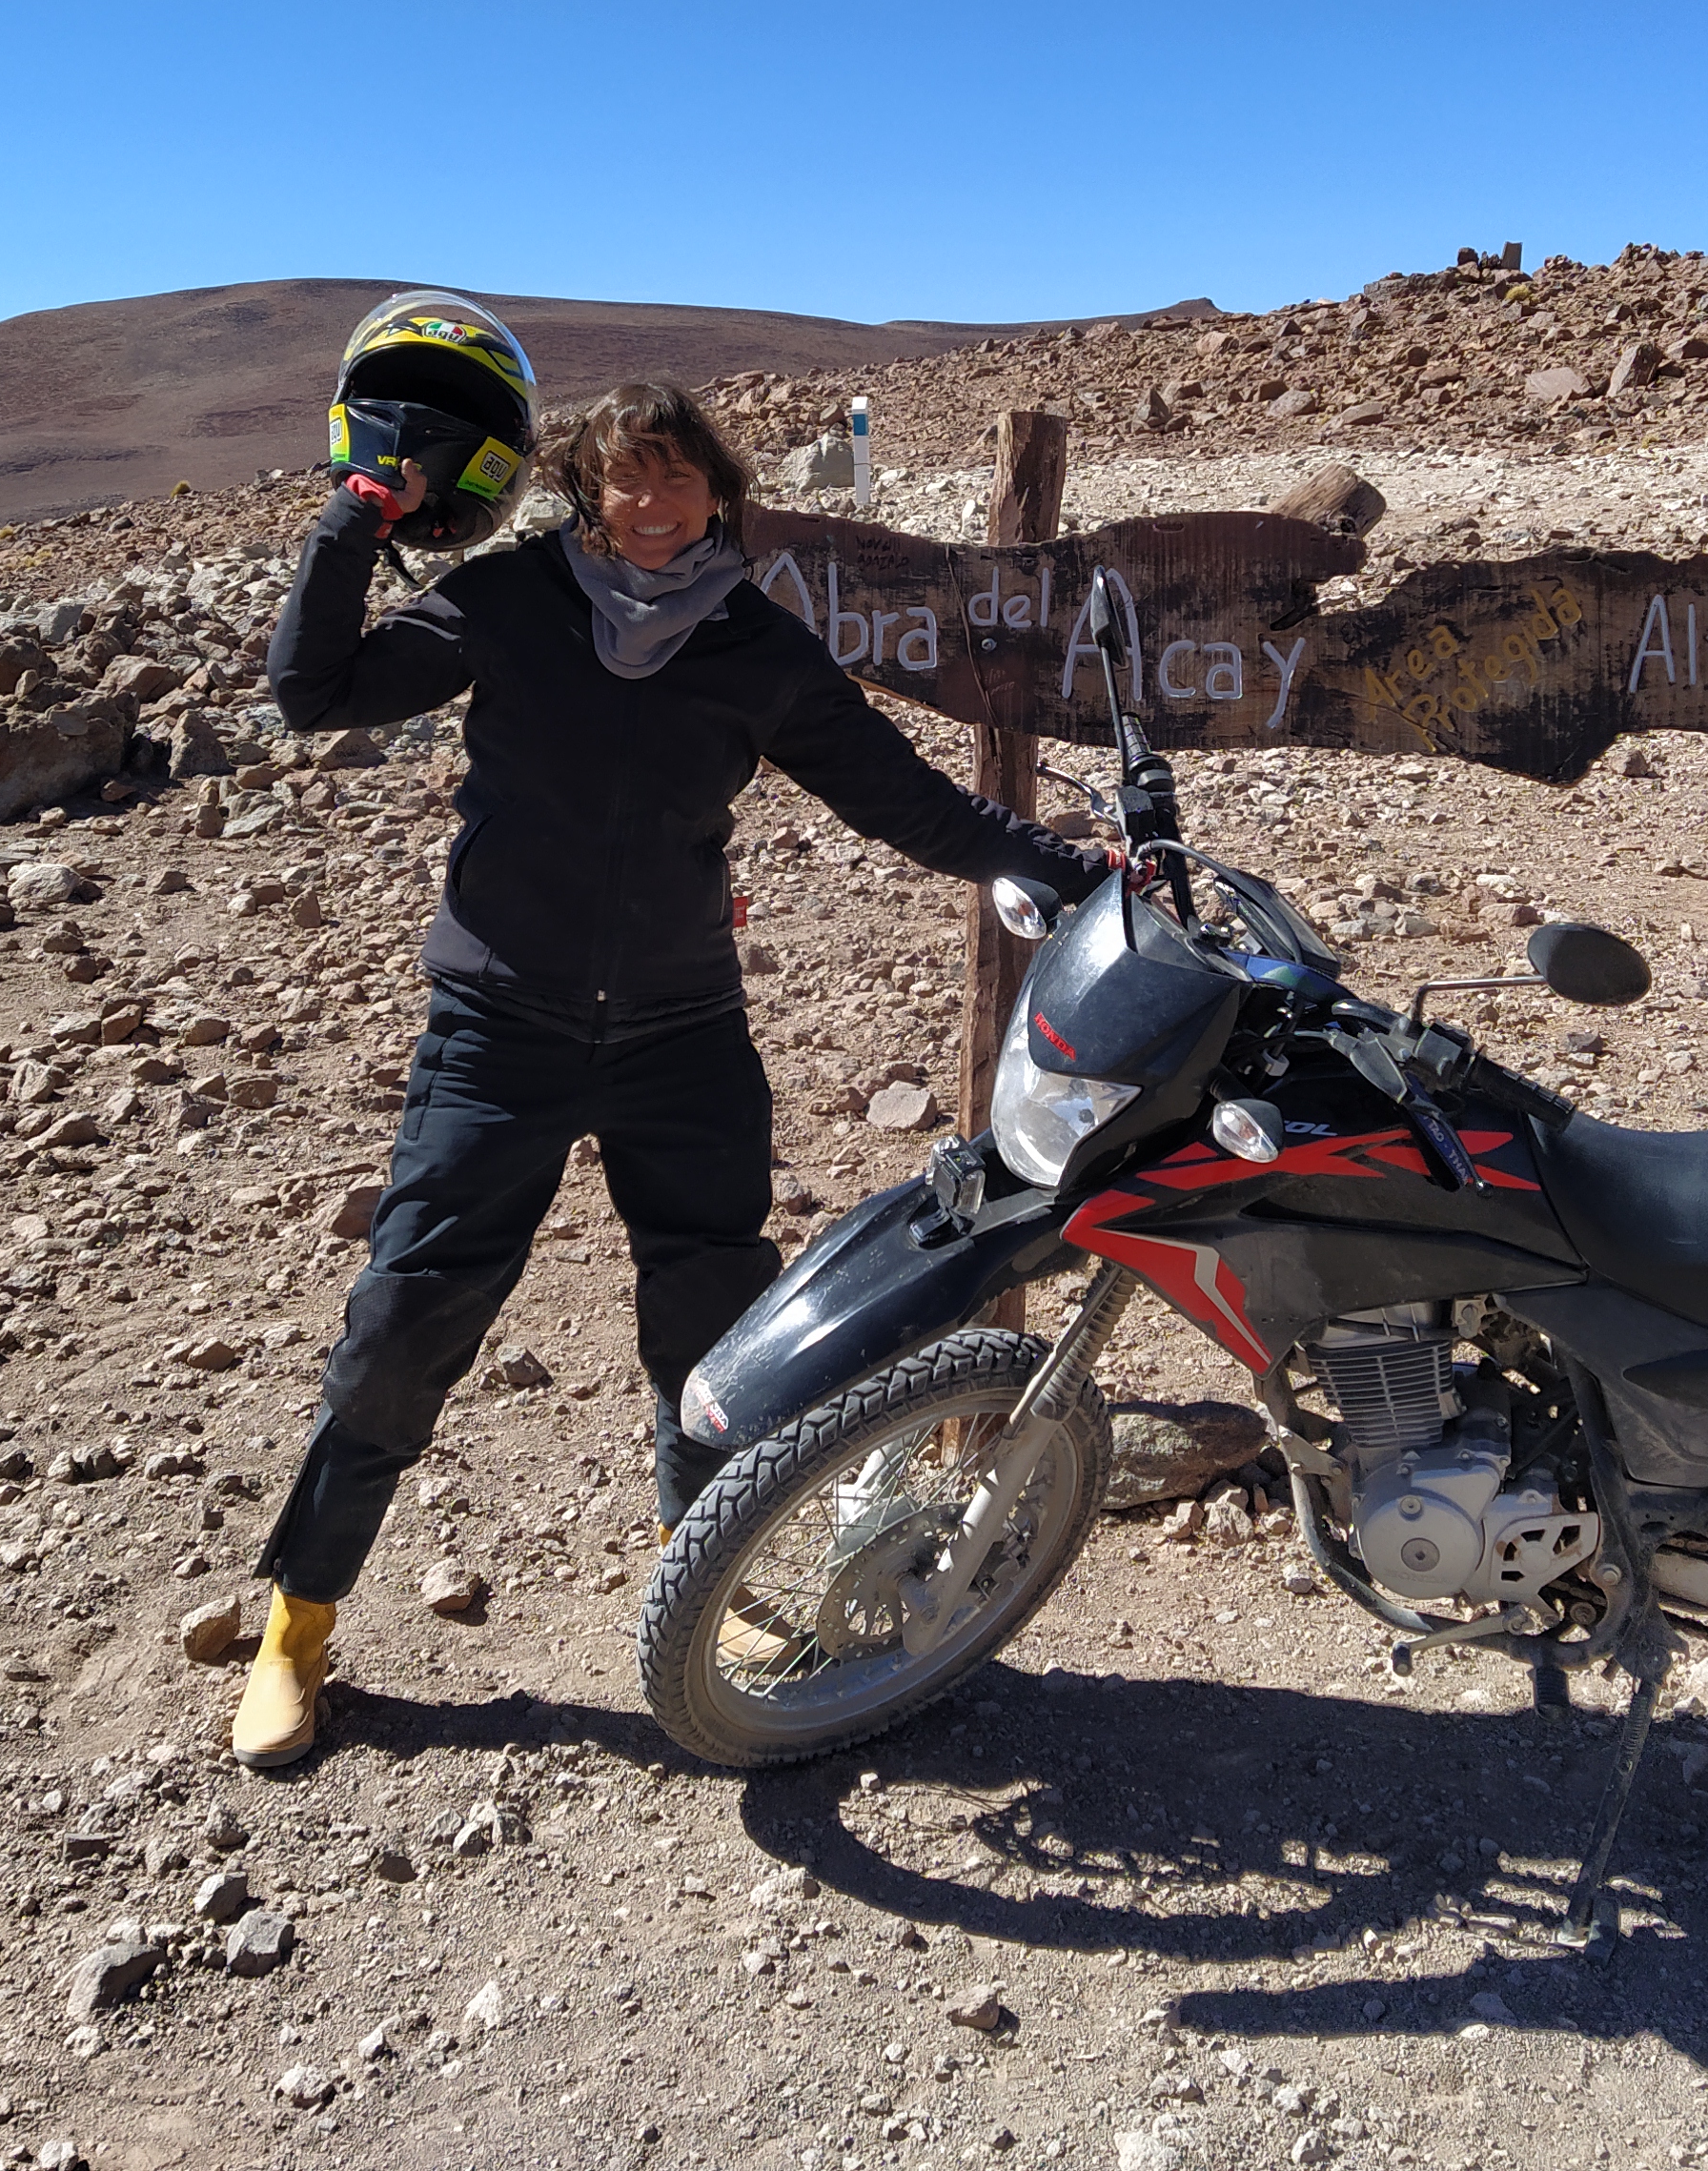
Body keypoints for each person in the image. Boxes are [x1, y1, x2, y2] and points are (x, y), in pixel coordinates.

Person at [229, 379, 1105, 1770]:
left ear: (718, 489)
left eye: (674, 478)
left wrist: (1067, 867)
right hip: (498, 1032)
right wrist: (352, 517)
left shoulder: (756, 643)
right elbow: (311, 689)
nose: (649, 507)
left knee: (709, 1329)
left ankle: (706, 1581)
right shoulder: (512, 600)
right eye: (621, 481)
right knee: (407, 1321)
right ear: (582, 491)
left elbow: (905, 800)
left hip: (680, 1034)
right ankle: (300, 1622)